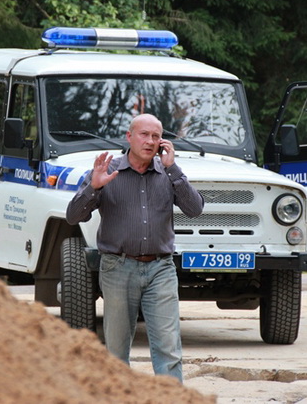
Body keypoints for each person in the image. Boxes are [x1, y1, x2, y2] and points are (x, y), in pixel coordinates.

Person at [66, 113, 204, 382]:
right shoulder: (107, 171)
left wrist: (173, 169)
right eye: (144, 135)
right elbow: (73, 216)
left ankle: (171, 398)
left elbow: (195, 209)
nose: (150, 141)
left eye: (156, 136)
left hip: (161, 268)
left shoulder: (168, 173)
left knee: (168, 347)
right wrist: (94, 187)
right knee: (116, 350)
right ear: (129, 137)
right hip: (117, 267)